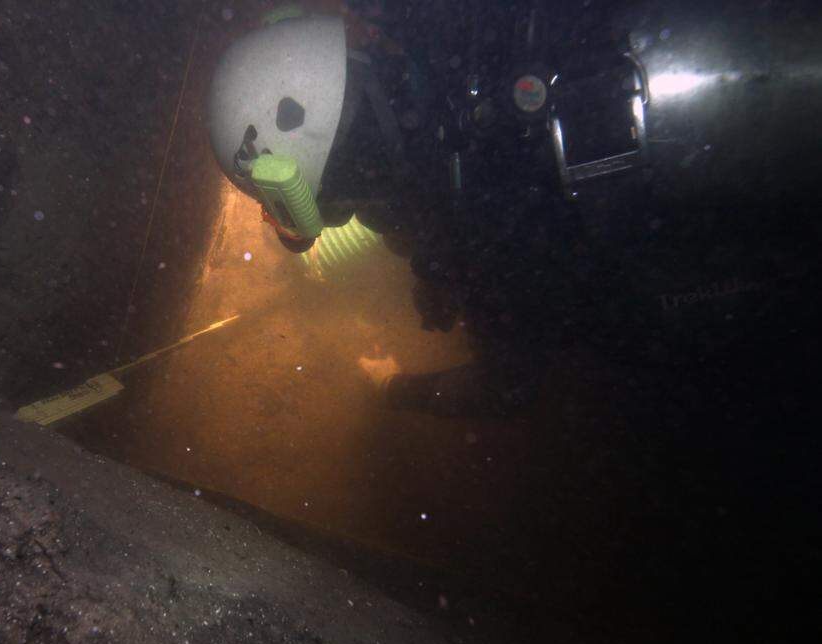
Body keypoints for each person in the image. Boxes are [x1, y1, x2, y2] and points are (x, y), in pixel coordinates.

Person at [207, 1, 822, 416]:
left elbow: (512, 381)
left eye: (311, 204)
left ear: (335, 179)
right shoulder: (456, 35)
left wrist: (393, 388)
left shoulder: (491, 218)